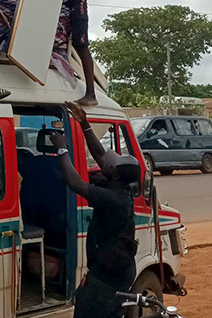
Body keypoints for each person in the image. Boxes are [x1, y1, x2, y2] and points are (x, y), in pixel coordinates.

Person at [51, 101, 140, 318]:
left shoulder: (113, 198)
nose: (104, 163)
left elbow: (76, 183)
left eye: (110, 164)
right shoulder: (121, 186)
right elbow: (101, 155)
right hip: (112, 273)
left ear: (115, 174)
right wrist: (84, 123)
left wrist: (62, 148)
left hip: (106, 284)